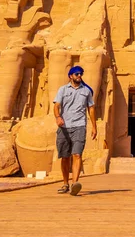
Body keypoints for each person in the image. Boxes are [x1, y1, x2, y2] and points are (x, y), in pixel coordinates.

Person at [54, 65, 98, 196]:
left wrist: (94, 126)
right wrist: (57, 117)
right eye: (77, 74)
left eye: (81, 74)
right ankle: (65, 183)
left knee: (77, 154)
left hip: (80, 126)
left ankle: (75, 184)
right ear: (70, 76)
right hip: (64, 126)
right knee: (65, 157)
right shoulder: (62, 90)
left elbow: (91, 109)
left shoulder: (86, 91)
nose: (79, 76)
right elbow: (56, 106)